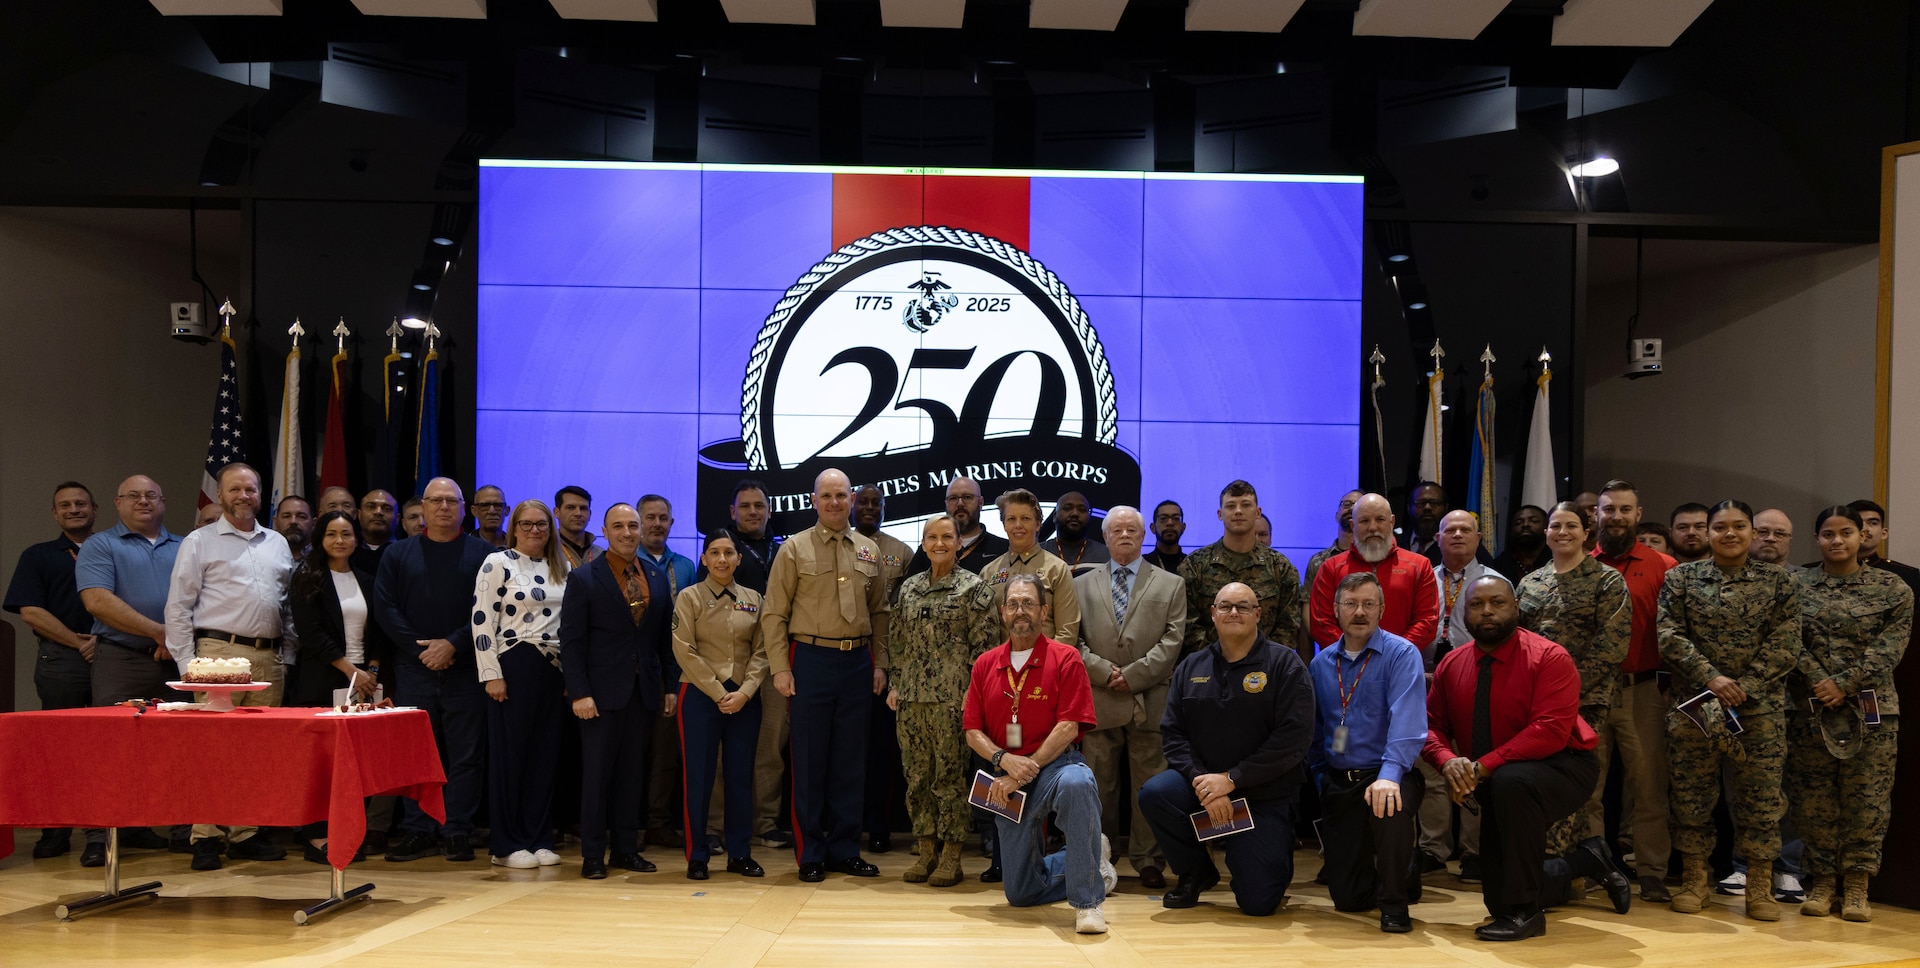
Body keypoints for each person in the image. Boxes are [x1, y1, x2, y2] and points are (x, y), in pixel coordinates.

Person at [1424, 575, 1604, 941]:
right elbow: (1429, 727)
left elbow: (1550, 731)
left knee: (1512, 784)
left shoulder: (1550, 657)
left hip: (1564, 764)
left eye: (1497, 602)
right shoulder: (1451, 664)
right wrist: (1447, 761)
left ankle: (1527, 913)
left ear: (1516, 607)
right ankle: (1585, 862)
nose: (1487, 611)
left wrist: (1481, 767)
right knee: (1496, 894)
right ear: (1463, 611)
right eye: (1476, 604)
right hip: (1493, 775)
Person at [1657, 500, 1800, 920]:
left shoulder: (1780, 582)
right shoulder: (1682, 579)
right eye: (1721, 527)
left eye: (1740, 526)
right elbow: (1668, 635)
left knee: (1762, 800)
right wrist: (1712, 679)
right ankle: (1694, 880)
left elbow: (1786, 642)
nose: (1730, 534)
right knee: (1691, 797)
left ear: (1753, 532)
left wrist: (1744, 686)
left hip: (1758, 710)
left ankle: (1759, 886)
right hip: (1695, 707)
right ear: (1709, 533)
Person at [1141, 581, 1313, 917]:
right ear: (1213, 613)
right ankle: (1196, 871)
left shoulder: (1285, 665)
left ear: (1258, 614)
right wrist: (1205, 781)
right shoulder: (1191, 667)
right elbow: (1173, 734)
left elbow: (1294, 740)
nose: (1234, 612)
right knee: (1155, 793)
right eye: (1226, 606)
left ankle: (1266, 855)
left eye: (1243, 606)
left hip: (1263, 796)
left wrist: (1232, 779)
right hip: (1205, 788)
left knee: (1258, 903)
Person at [962, 574, 1116, 933]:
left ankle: (1088, 902)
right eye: (1013, 604)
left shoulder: (1066, 658)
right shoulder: (986, 663)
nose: (1021, 611)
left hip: (1057, 766)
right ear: (1003, 613)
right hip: (1006, 775)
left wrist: (1025, 769)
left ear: (1044, 611)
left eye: (1029, 603)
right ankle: (1095, 863)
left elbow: (1069, 727)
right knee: (1020, 892)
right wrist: (1003, 760)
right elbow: (972, 731)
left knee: (1080, 783)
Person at [164, 462, 296, 871]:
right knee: (213, 750)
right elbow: (178, 606)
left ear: (261, 495)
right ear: (219, 496)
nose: (244, 496)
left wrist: (286, 657)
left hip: (268, 657)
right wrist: (189, 665)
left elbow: (286, 607)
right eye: (235, 489)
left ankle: (245, 833)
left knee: (257, 752)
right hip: (217, 653)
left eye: (251, 489)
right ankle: (205, 836)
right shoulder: (200, 541)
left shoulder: (277, 542)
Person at [764, 468, 891, 882]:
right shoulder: (794, 549)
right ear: (814, 500)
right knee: (809, 760)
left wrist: (880, 663)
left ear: (852, 498)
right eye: (827, 496)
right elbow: (774, 613)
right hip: (810, 660)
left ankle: (845, 848)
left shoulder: (870, 549)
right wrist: (781, 668)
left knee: (850, 761)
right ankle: (811, 853)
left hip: (856, 661)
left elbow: (880, 613)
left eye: (841, 495)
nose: (835, 502)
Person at [1787, 506, 1912, 922]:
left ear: (1863, 536)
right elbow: (1787, 640)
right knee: (1814, 799)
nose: (1836, 541)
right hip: (1811, 707)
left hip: (1870, 710)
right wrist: (1820, 680)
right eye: (1827, 534)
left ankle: (1857, 886)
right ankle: (1822, 881)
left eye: (1846, 533)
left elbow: (1890, 647)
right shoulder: (1794, 584)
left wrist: (1845, 682)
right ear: (1817, 538)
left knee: (1867, 800)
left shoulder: (1892, 588)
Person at [1515, 501, 1634, 913]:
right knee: (1543, 785)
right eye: (1554, 526)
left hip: (1585, 704)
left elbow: (1611, 646)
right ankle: (1570, 870)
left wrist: (1564, 695)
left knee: (1579, 789)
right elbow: (1519, 646)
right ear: (1546, 534)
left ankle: (1567, 873)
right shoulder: (1530, 583)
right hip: (1536, 708)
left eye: (1571, 525)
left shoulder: (1607, 581)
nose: (1561, 532)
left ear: (1588, 533)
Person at [374, 477, 494, 863]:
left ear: (464, 509)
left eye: (452, 501)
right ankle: (417, 829)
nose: (444, 507)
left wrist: (452, 644)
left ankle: (458, 829)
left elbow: (489, 609)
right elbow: (385, 609)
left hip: (466, 668)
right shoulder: (397, 554)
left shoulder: (484, 555)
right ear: (422, 508)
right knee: (416, 753)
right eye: (436, 500)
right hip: (414, 669)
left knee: (466, 754)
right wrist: (421, 650)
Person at [74, 475, 186, 864]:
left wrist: (175, 643)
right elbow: (97, 601)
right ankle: (99, 834)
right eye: (133, 496)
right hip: (121, 657)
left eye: (151, 495)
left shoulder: (187, 546)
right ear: (118, 503)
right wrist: (160, 633)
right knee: (110, 747)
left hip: (177, 661)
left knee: (178, 748)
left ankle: (178, 828)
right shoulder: (100, 544)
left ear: (163, 502)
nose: (143, 501)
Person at [1074, 506, 1186, 890]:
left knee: (1148, 785)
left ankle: (1148, 858)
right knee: (1099, 785)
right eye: (1116, 529)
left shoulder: (1171, 584)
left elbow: (1173, 641)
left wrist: (1133, 675)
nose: (1124, 535)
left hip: (1150, 699)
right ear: (1104, 538)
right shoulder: (1080, 584)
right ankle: (1100, 855)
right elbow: (1075, 640)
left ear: (1144, 536)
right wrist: (1107, 673)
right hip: (1100, 697)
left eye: (1132, 530)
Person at [1308, 573, 1427, 932]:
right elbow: (1317, 730)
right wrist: (1319, 776)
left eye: (1368, 604)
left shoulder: (1402, 654)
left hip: (1390, 773)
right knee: (1348, 899)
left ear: (1382, 609)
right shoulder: (1321, 664)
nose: (1359, 612)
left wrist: (1389, 777)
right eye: (1351, 604)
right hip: (1341, 778)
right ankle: (1404, 867)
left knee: (1389, 809)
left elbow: (1408, 722)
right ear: (1336, 610)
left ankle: (1395, 902)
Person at [561, 503, 672, 879]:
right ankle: (593, 854)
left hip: (642, 693)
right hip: (598, 696)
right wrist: (579, 692)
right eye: (618, 526)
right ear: (605, 532)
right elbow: (571, 641)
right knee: (596, 777)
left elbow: (662, 641)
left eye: (633, 526)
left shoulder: (656, 577)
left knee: (632, 776)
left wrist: (669, 687)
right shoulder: (585, 578)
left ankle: (626, 849)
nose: (627, 532)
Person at [888, 515, 1001, 887]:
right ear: (923, 544)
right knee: (916, 777)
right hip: (912, 701)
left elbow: (984, 651)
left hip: (953, 700)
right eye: (932, 537)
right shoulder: (909, 589)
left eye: (946, 537)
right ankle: (925, 852)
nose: (939, 543)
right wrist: (895, 684)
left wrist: (974, 698)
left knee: (949, 780)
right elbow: (898, 642)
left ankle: (951, 856)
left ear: (958, 543)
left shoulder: (974, 589)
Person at [1589, 479, 1678, 902]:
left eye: (1625, 509)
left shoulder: (1665, 565)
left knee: (1648, 784)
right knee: (1588, 785)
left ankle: (1652, 871)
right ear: (1596, 515)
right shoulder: (1582, 564)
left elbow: (1677, 632)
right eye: (1609, 509)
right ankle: (1589, 866)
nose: (1617, 517)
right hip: (1590, 692)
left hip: (1641, 690)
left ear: (1638, 515)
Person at [474, 499, 571, 870]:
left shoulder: (561, 567)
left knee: (545, 757)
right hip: (513, 663)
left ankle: (538, 837)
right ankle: (506, 844)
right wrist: (491, 674)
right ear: (514, 527)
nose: (535, 530)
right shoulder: (496, 563)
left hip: (553, 668)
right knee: (510, 757)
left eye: (542, 524)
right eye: (527, 524)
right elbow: (481, 621)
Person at [4, 481, 99, 859]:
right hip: (63, 661)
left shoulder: (113, 550)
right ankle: (55, 831)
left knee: (108, 748)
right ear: (55, 514)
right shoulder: (39, 555)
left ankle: (112, 831)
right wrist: (80, 643)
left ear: (95, 508)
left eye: (80, 503)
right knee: (59, 748)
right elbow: (30, 610)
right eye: (65, 505)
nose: (74, 509)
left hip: (117, 657)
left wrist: (102, 642)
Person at [287, 510, 388, 862]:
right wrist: (350, 670)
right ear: (321, 539)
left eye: (346, 534)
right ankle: (316, 836)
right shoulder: (308, 578)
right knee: (321, 761)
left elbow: (379, 630)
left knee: (355, 762)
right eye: (331, 534)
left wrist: (370, 669)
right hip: (323, 677)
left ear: (356, 539)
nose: (340, 541)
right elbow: (310, 634)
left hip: (363, 681)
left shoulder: (367, 579)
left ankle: (346, 831)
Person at [672, 531, 770, 880]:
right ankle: (697, 854)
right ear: (704, 559)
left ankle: (740, 853)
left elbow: (763, 650)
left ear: (738, 559)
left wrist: (745, 691)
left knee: (740, 777)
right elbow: (684, 649)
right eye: (714, 552)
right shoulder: (690, 597)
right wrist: (717, 692)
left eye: (729, 552)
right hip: (699, 695)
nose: (722, 559)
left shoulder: (754, 598)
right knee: (698, 778)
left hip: (744, 698)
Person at [700, 479, 790, 849]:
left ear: (769, 509)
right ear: (732, 512)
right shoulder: (721, 552)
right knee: (723, 751)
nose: (753, 511)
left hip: (777, 661)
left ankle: (765, 822)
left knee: (771, 746)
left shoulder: (784, 549)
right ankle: (716, 825)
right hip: (731, 664)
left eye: (759, 505)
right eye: (746, 506)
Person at [1419, 509, 1490, 879]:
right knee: (1433, 766)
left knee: (1472, 765)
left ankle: (1475, 852)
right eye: (1450, 530)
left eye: (1466, 530)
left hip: (1476, 680)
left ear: (1479, 539)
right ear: (1439, 539)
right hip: (1428, 679)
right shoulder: (1423, 579)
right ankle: (1432, 848)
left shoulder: (1495, 583)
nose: (1458, 535)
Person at [636, 495, 698, 850]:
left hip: (675, 669)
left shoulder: (687, 566)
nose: (656, 523)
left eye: (663, 517)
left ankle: (658, 822)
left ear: (672, 523)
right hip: (634, 667)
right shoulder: (624, 562)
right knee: (630, 750)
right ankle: (627, 823)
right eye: (650, 517)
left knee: (665, 752)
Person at [1180, 480, 1303, 657]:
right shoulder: (1194, 565)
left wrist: (1260, 661)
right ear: (1220, 514)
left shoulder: (1280, 567)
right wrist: (1218, 662)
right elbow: (1188, 626)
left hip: (1265, 670)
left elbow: (1288, 627)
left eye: (1245, 505)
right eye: (1231, 506)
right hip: (1209, 670)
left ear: (1258, 512)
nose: (1238, 511)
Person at [854, 484, 913, 852]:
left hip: (884, 661)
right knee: (843, 749)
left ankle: (878, 826)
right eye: (864, 502)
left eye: (878, 502)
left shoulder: (901, 552)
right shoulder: (841, 546)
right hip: (843, 656)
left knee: (880, 752)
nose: (870, 508)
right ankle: (840, 824)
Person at [1308, 494, 1440, 654]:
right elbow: (1321, 623)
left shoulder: (1420, 566)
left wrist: (1393, 655)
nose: (1373, 527)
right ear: (1353, 525)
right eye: (1364, 521)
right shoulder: (1330, 568)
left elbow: (1427, 622)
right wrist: (1355, 653)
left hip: (1399, 665)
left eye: (1380, 519)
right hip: (1343, 666)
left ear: (1392, 522)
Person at [982, 488, 1082, 647]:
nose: (1018, 525)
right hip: (1002, 668)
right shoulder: (988, 573)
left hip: (1046, 666)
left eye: (1026, 518)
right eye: (1011, 519)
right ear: (1004, 525)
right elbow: (983, 632)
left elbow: (1067, 632)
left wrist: (1044, 665)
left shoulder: (1057, 569)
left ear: (1038, 524)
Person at [907, 476, 1009, 577]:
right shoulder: (930, 549)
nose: (960, 504)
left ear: (981, 502)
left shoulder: (1002, 549)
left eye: (967, 497)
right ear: (946, 504)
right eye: (953, 498)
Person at [1848, 499, 1920, 590]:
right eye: (1858, 523)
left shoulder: (1906, 575)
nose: (1865, 528)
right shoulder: (1828, 571)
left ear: (1884, 533)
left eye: (1873, 523)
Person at [1304, 490, 1362, 591]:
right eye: (1346, 504)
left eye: (1358, 505)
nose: (1351, 508)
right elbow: (1308, 602)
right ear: (1336, 515)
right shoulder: (1318, 561)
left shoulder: (1373, 558)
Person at [1046, 491, 1110, 575]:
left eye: (1082, 510)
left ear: (1089, 517)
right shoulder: (1039, 553)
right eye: (1067, 508)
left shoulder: (1106, 555)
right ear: (1054, 516)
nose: (1075, 514)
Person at [1490, 505, 1549, 583]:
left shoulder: (1557, 559)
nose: (1525, 525)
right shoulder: (1500, 564)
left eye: (1534, 521)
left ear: (1546, 527)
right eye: (1518, 522)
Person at [555, 485, 603, 570]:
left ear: (590, 514)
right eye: (570, 508)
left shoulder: (601, 555)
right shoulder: (547, 550)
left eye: (583, 508)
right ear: (556, 512)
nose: (578, 513)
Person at [354, 489, 399, 573]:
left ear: (397, 519)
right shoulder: (347, 554)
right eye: (371, 507)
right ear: (359, 515)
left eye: (386, 509)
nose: (378, 512)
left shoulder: (407, 554)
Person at [1402, 482, 1448, 562]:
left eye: (1435, 503)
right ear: (1409, 508)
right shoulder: (1396, 543)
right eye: (1420, 503)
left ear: (1445, 508)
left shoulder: (1452, 546)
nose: (1427, 507)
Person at [1753, 509, 1801, 573]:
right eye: (1763, 532)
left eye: (1779, 534)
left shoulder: (1808, 580)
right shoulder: (1735, 576)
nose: (1770, 538)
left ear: (1789, 541)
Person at [1146, 500, 1188, 573]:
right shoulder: (1143, 564)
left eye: (1176, 518)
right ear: (1153, 528)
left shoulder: (1193, 564)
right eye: (1163, 518)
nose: (1170, 523)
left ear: (1183, 527)